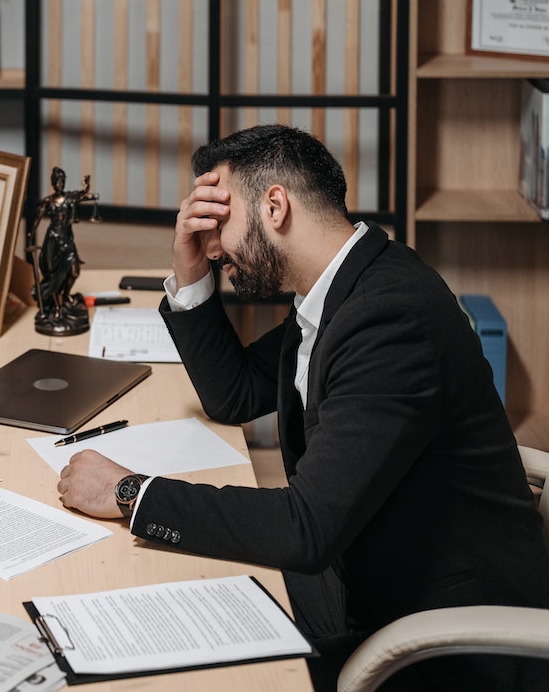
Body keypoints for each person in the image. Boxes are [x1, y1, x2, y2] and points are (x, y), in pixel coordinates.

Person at [56, 125, 549, 691]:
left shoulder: (391, 319)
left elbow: (306, 528)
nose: (213, 247)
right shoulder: (343, 286)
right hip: (360, 571)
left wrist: (129, 493)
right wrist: (190, 274)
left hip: (445, 643)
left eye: (220, 221)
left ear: (275, 205)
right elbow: (235, 394)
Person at [27, 167, 98, 334]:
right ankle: (58, 307)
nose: (60, 184)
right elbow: (36, 221)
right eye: (57, 181)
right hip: (53, 241)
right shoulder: (48, 201)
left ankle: (66, 295)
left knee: (74, 271)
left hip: (67, 240)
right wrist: (30, 238)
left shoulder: (69, 198)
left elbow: (83, 194)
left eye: (62, 181)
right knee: (54, 276)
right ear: (53, 183)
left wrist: (87, 184)